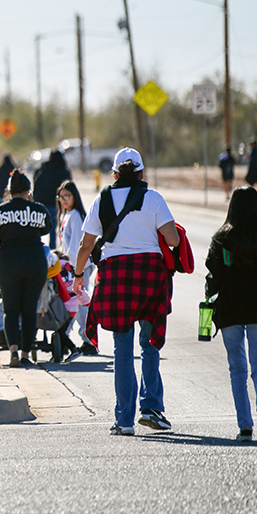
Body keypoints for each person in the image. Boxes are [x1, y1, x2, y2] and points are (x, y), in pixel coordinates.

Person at [75, 148, 180, 436]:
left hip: (115, 276)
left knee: (123, 349)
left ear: (114, 173)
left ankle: (124, 420)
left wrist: (77, 276)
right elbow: (171, 239)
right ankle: (151, 409)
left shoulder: (102, 199)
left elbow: (86, 245)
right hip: (149, 275)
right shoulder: (154, 198)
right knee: (149, 343)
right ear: (142, 173)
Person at [204, 187, 257, 442]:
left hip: (229, 309)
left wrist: (209, 291)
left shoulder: (223, 238)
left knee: (237, 367)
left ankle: (245, 426)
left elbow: (213, 276)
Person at [0, 170, 51, 368]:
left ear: (9, 191)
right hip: (35, 262)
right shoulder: (38, 209)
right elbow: (47, 227)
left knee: (11, 309)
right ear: (28, 191)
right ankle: (26, 353)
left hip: (9, 263)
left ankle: (12, 351)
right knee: (29, 310)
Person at [57, 180, 97, 356]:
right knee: (73, 302)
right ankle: (66, 335)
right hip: (72, 265)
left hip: (79, 266)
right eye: (61, 197)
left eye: (68, 196)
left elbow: (75, 246)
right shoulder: (67, 215)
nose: (64, 200)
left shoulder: (76, 215)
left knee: (80, 302)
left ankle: (88, 339)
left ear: (75, 197)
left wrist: (74, 270)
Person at [33, 149, 73, 249]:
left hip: (41, 203)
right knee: (54, 229)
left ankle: (38, 248)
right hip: (56, 203)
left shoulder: (42, 169)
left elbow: (36, 184)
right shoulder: (63, 171)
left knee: (37, 228)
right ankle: (53, 250)